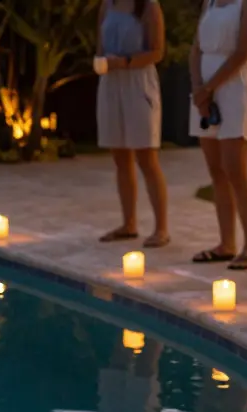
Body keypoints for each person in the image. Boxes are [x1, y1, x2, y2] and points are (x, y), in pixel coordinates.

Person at [189, 0, 247, 271]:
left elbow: (243, 51)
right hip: (204, 94)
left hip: (235, 90)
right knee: (216, 170)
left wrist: (209, 88)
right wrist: (198, 89)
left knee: (235, 169)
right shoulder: (209, 2)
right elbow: (196, 48)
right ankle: (226, 244)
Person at [97, 0, 172, 248]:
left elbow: (157, 51)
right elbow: (100, 45)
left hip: (138, 83)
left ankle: (161, 228)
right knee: (120, 157)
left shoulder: (148, 6)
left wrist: (124, 62)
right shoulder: (107, 4)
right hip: (111, 84)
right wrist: (101, 61)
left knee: (146, 157)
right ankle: (128, 223)